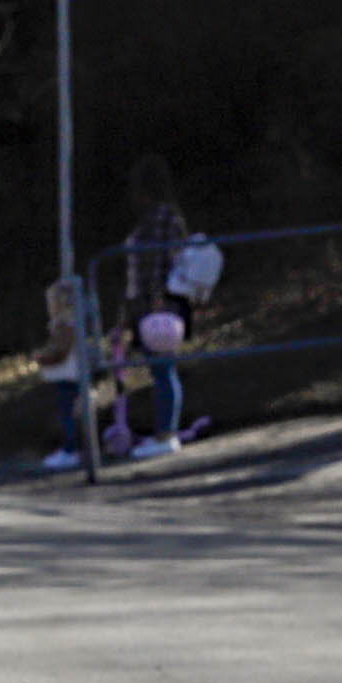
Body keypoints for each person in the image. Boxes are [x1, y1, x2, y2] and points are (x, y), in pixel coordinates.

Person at [110, 154, 216, 460]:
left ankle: (167, 433)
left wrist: (160, 299)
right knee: (158, 370)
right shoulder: (147, 221)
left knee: (163, 368)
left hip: (160, 305)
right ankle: (162, 430)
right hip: (142, 304)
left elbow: (171, 259)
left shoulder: (166, 218)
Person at [36, 275, 89, 473]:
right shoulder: (65, 323)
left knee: (67, 415)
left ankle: (70, 450)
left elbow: (61, 351)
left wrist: (43, 358)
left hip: (68, 374)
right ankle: (70, 448)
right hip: (67, 375)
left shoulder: (66, 325)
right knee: (67, 413)